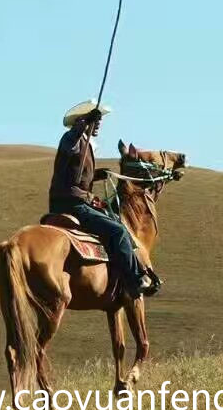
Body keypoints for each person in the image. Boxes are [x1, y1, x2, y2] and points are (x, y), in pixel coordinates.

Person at [49, 100, 153, 298]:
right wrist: (85, 122)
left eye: (99, 121)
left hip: (75, 200)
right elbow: (71, 141)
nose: (99, 124)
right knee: (118, 231)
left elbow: (75, 175)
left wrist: (97, 174)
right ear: (82, 121)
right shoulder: (71, 139)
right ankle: (133, 281)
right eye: (96, 120)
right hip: (72, 204)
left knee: (114, 220)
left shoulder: (84, 144)